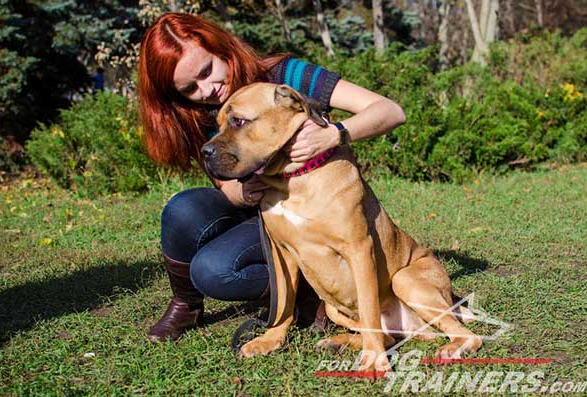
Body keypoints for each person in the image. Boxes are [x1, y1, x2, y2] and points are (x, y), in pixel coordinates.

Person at [137, 13, 406, 342]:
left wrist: (336, 134)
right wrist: (247, 190)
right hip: (261, 205)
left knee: (214, 269)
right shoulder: (195, 113)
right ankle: (186, 305)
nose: (206, 89)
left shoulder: (285, 76)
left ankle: (312, 296)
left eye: (206, 71)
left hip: (312, 201)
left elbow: (391, 111)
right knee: (182, 210)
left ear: (220, 48)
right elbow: (228, 188)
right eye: (190, 88)